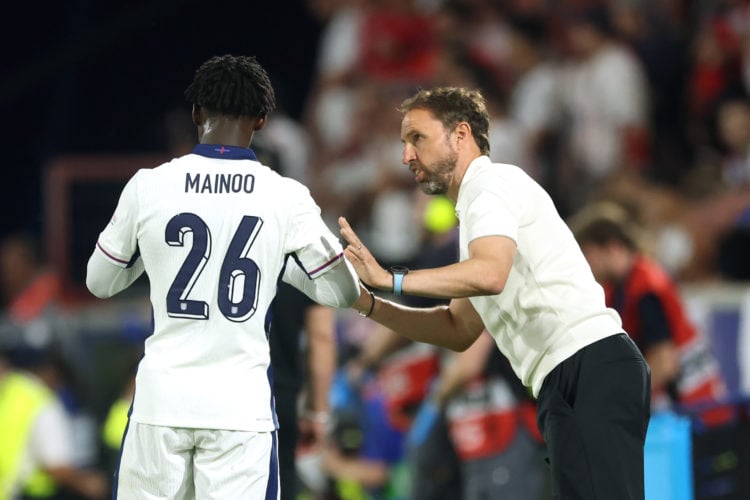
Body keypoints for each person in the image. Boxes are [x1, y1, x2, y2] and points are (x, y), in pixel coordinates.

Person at [337, 86, 651, 499]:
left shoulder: (490, 186)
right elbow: (458, 327)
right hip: (569, 374)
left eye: (417, 138)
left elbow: (490, 274)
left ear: (461, 134)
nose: (406, 156)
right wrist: (370, 304)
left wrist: (390, 278)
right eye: (403, 143)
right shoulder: (476, 214)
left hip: (586, 364)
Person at [85, 54, 360, 499]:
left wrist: (151, 258)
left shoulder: (148, 185)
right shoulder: (286, 196)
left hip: (162, 401)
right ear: (263, 121)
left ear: (196, 113)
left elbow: (100, 282)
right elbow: (343, 292)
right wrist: (282, 268)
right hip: (240, 409)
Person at [569, 201, 734, 427]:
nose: (585, 264)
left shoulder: (646, 287)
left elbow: (665, 362)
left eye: (588, 254)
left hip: (697, 414)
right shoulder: (621, 289)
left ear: (612, 248)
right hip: (684, 413)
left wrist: (619, 402)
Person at [0, 349, 108, 500]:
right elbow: (56, 466)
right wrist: (88, 484)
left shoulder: (10, 390)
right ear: (54, 373)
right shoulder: (43, 403)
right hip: (24, 493)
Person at [269, 282, 337, 500]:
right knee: (277, 485)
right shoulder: (306, 251)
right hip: (278, 397)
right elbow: (321, 337)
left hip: (212, 387)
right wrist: (317, 412)